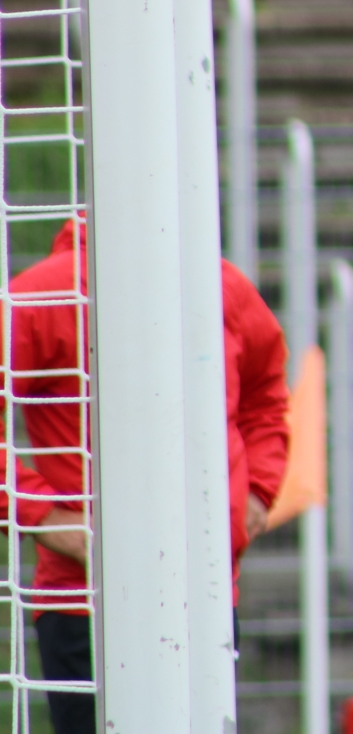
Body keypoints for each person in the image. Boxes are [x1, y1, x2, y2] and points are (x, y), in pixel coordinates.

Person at [4, 218, 289, 734]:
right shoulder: (48, 293)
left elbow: (264, 392)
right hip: (86, 604)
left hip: (205, 596)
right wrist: (41, 514)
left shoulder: (219, 284)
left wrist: (258, 491)